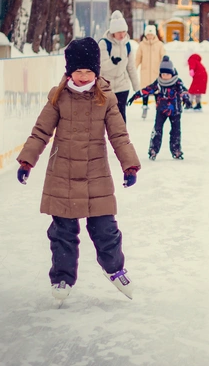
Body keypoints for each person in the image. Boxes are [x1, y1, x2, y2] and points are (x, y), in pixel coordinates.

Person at [16, 37, 140, 301]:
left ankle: (115, 269)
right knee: (62, 233)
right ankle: (62, 278)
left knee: (106, 229)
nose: (83, 77)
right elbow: (41, 131)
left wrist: (129, 165)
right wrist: (27, 160)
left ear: (96, 71)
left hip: (96, 175)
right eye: (78, 71)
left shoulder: (106, 99)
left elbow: (119, 135)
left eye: (89, 71)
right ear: (69, 71)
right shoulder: (58, 97)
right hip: (63, 175)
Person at [129, 56, 191, 160]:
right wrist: (135, 96)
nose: (165, 76)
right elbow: (147, 90)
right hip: (161, 110)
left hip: (175, 111)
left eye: (167, 74)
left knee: (176, 132)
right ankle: (153, 150)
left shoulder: (177, 82)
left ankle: (176, 150)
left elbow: (183, 91)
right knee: (157, 130)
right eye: (163, 74)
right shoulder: (158, 83)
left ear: (172, 73)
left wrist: (186, 99)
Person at [99, 10, 140, 123]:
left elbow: (131, 68)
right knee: (105, 117)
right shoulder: (104, 44)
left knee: (121, 116)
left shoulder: (128, 45)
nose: (122, 35)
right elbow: (102, 66)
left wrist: (137, 88)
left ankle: (121, 140)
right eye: (119, 32)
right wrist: (113, 62)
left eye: (124, 31)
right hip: (107, 86)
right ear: (113, 32)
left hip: (123, 86)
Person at [135, 24, 166, 119]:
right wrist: (134, 68)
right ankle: (144, 107)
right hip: (145, 73)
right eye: (148, 34)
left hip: (155, 73)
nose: (149, 36)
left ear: (154, 35)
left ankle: (158, 109)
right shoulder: (141, 45)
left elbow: (163, 57)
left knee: (157, 91)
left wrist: (164, 69)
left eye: (151, 34)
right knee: (145, 91)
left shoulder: (159, 45)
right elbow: (137, 58)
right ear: (145, 35)